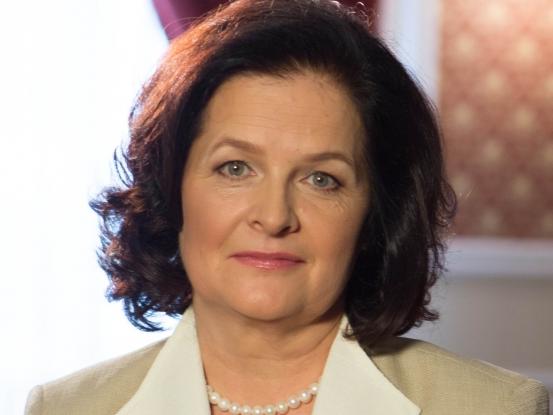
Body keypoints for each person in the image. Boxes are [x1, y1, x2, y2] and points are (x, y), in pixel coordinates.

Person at [25, 0, 549, 414]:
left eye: (322, 179)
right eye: (235, 168)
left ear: (376, 216)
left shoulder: (495, 407)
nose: (274, 217)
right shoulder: (68, 408)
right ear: (170, 191)